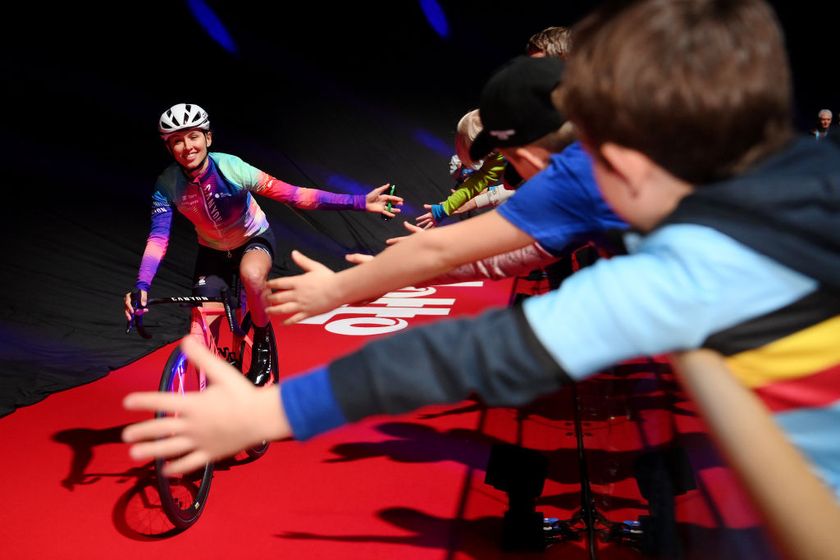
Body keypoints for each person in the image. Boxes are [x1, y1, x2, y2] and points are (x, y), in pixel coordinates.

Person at [123, 0, 840, 515]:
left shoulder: (642, 239)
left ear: (527, 153)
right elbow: (467, 250)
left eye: (506, 168)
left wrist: (276, 409)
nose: (501, 185)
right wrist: (347, 290)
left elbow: (471, 347)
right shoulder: (633, 167)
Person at [123, 103, 402, 384]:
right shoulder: (166, 184)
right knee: (200, 321)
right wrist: (142, 285)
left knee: (252, 274)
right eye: (177, 141)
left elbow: (296, 196)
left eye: (193, 136)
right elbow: (158, 238)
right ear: (169, 148)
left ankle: (262, 340)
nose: (187, 147)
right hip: (212, 251)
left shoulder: (232, 168)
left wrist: (359, 202)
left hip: (252, 239)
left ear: (208, 138)